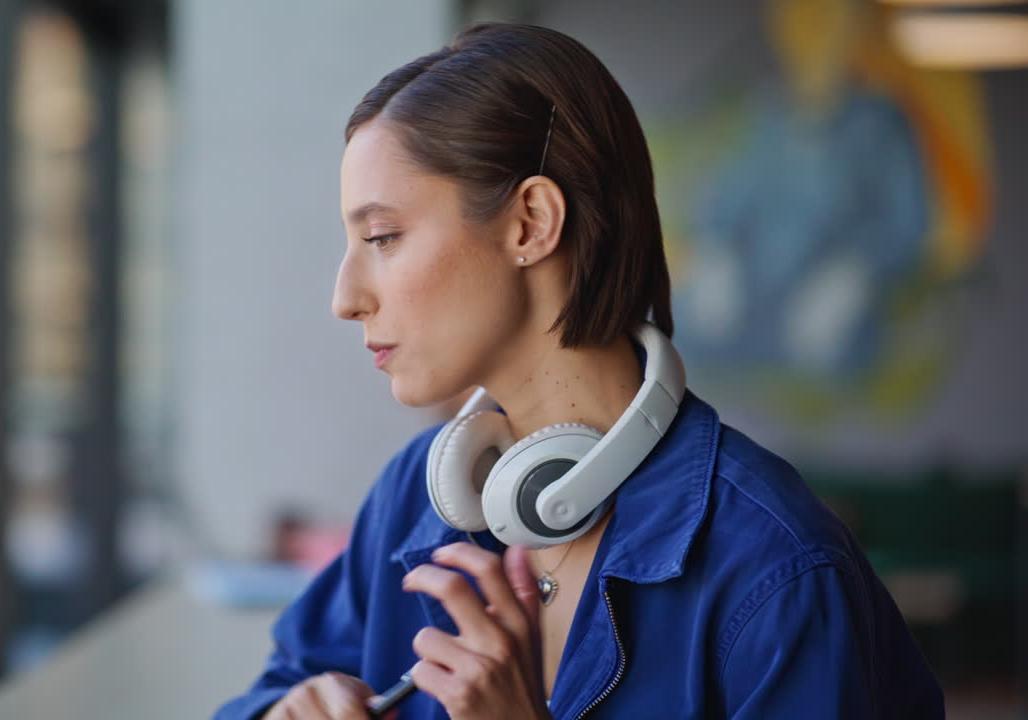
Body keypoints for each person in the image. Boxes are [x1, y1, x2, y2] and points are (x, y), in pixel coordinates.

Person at [215, 23, 944, 720]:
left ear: (531, 222)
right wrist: (286, 711)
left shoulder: (779, 572)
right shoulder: (415, 499)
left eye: (383, 236)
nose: (344, 299)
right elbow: (277, 685)